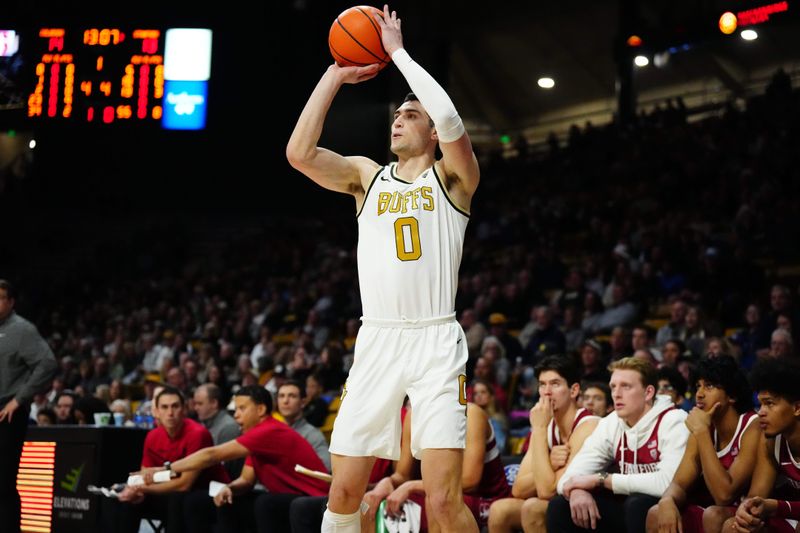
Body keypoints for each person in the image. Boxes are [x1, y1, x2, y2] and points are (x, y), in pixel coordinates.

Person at [286, 4, 480, 532]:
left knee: (442, 501)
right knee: (344, 490)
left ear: (432, 133)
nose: (399, 118)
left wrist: (397, 53)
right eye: (395, 114)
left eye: (410, 114)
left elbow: (452, 120)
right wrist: (333, 75)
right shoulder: (366, 178)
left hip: (436, 342)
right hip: (377, 340)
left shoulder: (454, 180)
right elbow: (299, 153)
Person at [141, 385, 329, 533]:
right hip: (288, 497)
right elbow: (247, 480)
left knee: (265, 503)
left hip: (313, 499)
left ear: (261, 409)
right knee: (223, 499)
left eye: (241, 408)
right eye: (235, 409)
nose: (236, 414)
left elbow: (211, 455)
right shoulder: (256, 435)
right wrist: (229, 488)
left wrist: (165, 468)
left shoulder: (269, 430)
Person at [546, 357, 690, 532]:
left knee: (638, 504)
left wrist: (601, 480)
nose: (616, 394)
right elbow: (567, 481)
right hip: (628, 508)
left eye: (626, 386)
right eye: (613, 386)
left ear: (648, 393)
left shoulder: (674, 421)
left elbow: (668, 483)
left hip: (673, 509)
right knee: (560, 505)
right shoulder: (611, 422)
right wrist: (577, 491)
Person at [646, 355, 758, 533]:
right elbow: (679, 484)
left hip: (744, 512)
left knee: (714, 515)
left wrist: (701, 433)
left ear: (732, 395)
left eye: (709, 386)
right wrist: (667, 500)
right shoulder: (704, 427)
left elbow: (724, 495)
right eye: (698, 385)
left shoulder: (753, 426)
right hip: (715, 512)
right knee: (656, 513)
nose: (699, 393)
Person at [488, 355, 600, 533]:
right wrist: (550, 462)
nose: (547, 392)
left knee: (533, 507)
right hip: (560, 504)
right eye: (542, 384)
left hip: (590, 507)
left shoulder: (589, 426)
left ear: (574, 390)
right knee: (500, 510)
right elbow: (518, 489)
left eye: (555, 384)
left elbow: (547, 491)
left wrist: (539, 430)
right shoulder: (545, 425)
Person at [109, 385, 229, 533]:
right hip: (171, 492)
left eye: (175, 407)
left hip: (207, 492)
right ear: (157, 412)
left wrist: (141, 488)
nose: (170, 413)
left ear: (184, 410)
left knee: (177, 498)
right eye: (164, 407)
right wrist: (135, 491)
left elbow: (184, 484)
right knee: (124, 499)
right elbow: (146, 476)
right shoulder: (152, 436)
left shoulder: (198, 434)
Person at [0, 280, 58, 533]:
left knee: (3, 483)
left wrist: (19, 398)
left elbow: (47, 363)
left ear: (11, 302)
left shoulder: (22, 329)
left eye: (0, 297)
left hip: (7, 412)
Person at [717, 358, 800, 533]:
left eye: (769, 403)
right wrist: (746, 509)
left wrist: (775, 506)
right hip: (789, 515)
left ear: (797, 407)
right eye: (760, 403)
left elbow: (773, 506)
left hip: (791, 514)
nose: (761, 412)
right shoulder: (770, 441)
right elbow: (757, 494)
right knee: (732, 527)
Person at [276, 380, 331, 471]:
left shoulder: (313, 435)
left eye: (292, 396)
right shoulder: (273, 432)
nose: (285, 401)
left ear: (303, 402)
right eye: (281, 396)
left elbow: (326, 467)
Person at [193, 383, 242, 478]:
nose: (196, 408)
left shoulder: (229, 428)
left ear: (214, 403)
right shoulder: (203, 424)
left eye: (200, 404)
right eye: (195, 404)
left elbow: (225, 469)